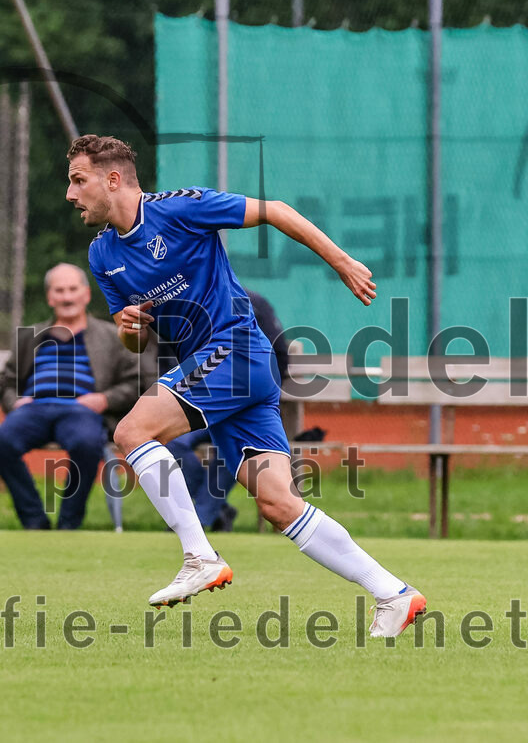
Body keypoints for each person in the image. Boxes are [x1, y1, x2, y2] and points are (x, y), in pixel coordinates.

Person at [67, 134, 425, 638]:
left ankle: (199, 556)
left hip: (238, 350)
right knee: (278, 503)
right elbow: (135, 343)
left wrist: (341, 261)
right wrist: (131, 330)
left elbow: (276, 210)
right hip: (222, 373)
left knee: (130, 433)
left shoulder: (182, 208)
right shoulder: (103, 254)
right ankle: (394, 593)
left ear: (112, 179)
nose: (70, 193)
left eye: (78, 180)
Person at [0, 263, 144, 530]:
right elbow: (6, 382)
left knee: (87, 443)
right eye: (59, 290)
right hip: (33, 409)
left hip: (81, 410)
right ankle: (34, 521)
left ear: (86, 294)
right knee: (1, 442)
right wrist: (15, 402)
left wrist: (104, 400)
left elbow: (136, 382)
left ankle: (68, 523)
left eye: (73, 289)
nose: (67, 297)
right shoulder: (31, 336)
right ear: (50, 297)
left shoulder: (111, 335)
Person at [166, 288, 290, 532]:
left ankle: (199, 520)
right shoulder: (181, 306)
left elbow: (280, 355)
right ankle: (216, 507)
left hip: (241, 404)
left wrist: (254, 392)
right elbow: (171, 361)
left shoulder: (252, 303)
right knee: (170, 442)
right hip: (195, 403)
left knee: (232, 447)